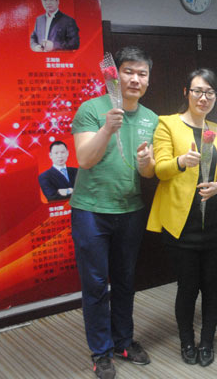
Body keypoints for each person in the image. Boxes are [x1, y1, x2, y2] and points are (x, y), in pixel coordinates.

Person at [70, 46, 157, 379]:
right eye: (128, 71)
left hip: (130, 210)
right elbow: (85, 159)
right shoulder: (92, 109)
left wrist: (147, 163)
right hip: (91, 211)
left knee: (125, 281)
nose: (135, 79)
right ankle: (101, 351)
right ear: (114, 75)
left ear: (148, 79)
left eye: (142, 73)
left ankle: (123, 341)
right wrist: (107, 128)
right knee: (95, 285)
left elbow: (147, 172)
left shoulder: (151, 118)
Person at [147, 68, 217, 368]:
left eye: (209, 92)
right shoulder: (167, 124)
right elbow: (159, 170)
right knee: (187, 286)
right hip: (182, 223)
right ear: (186, 93)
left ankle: (207, 341)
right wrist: (181, 161)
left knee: (212, 284)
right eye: (197, 91)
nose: (203, 97)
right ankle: (187, 340)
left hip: (215, 221)